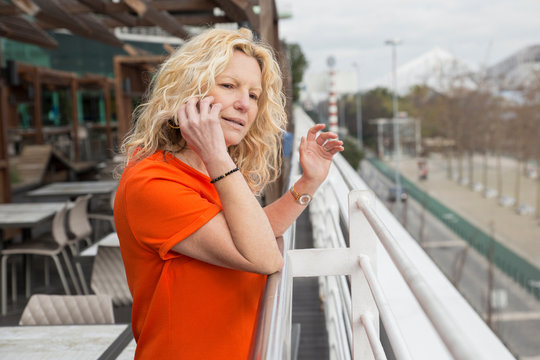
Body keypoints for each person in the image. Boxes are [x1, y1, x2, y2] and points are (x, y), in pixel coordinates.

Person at [113, 27, 344, 360]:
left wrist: (308, 184)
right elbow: (265, 257)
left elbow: (250, 234)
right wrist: (218, 155)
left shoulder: (207, 171)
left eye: (253, 95)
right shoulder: (152, 182)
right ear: (188, 91)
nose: (244, 104)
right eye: (228, 86)